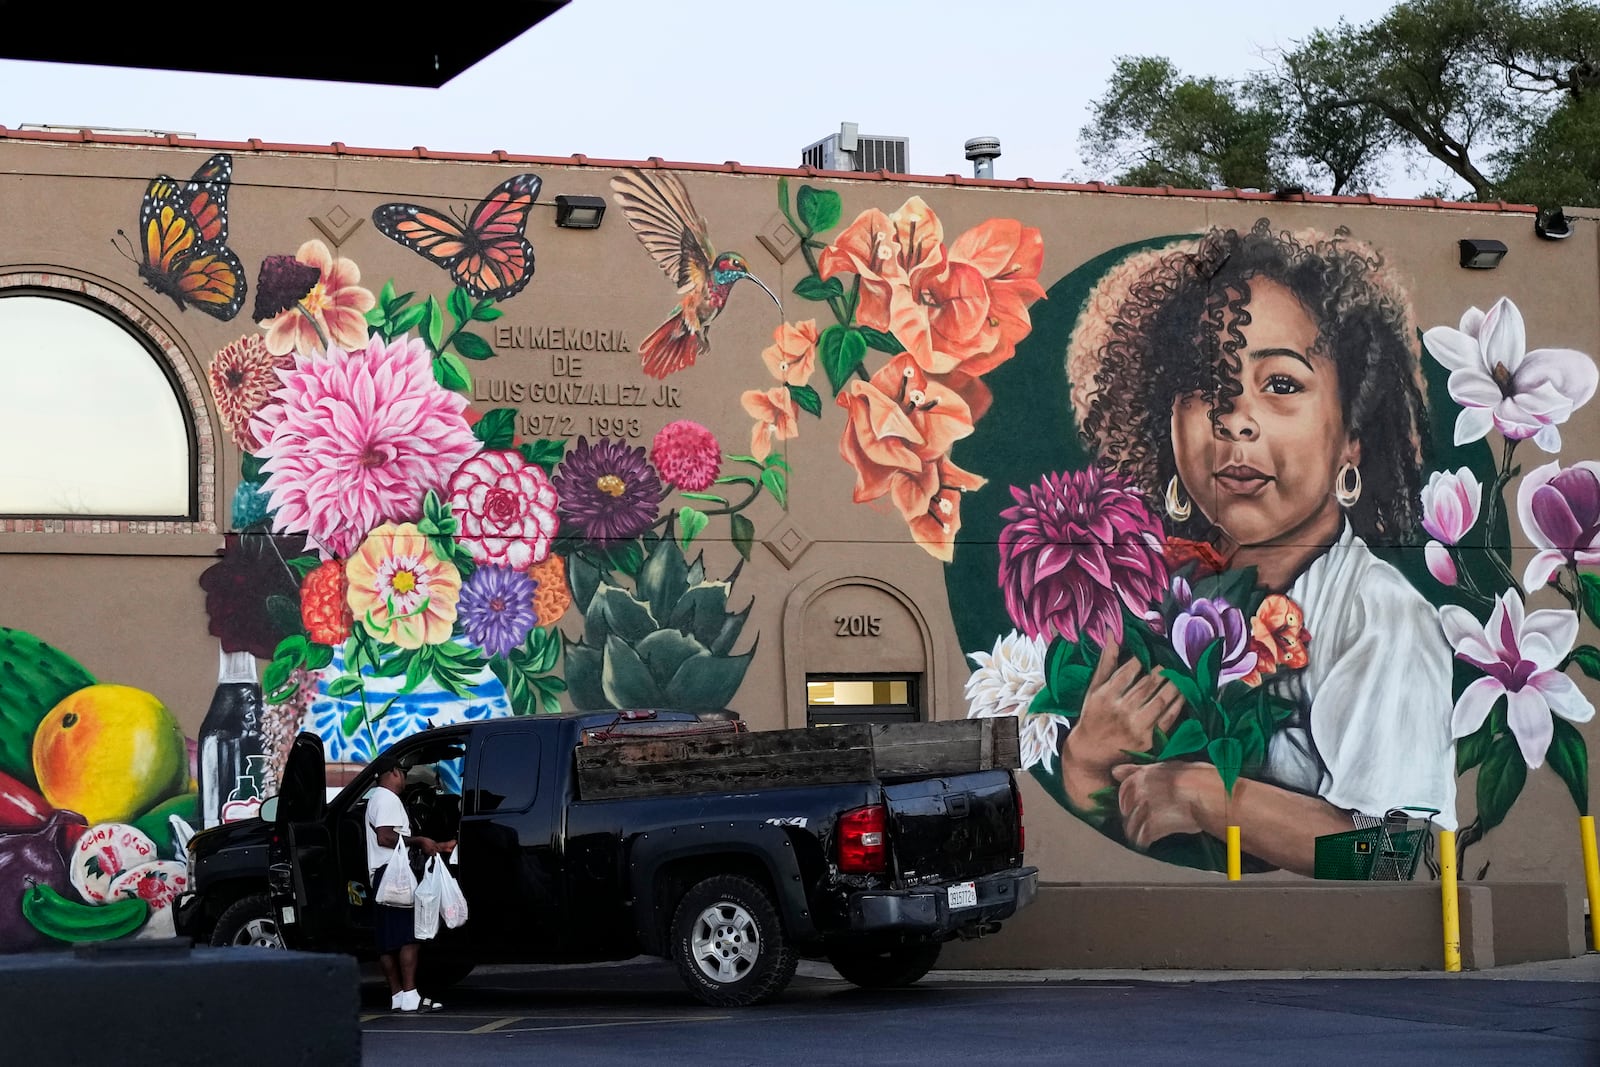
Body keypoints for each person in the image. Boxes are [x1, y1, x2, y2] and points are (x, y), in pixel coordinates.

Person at [1059, 219, 1456, 876]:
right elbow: (1124, 815)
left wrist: (1208, 795)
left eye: (1281, 384)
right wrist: (1087, 760)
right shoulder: (1170, 600)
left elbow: (1403, 856)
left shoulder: (1379, 616)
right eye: (1206, 386)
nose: (1234, 418)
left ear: (1352, 439)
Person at [366, 753, 455, 1012]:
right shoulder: (389, 799)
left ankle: (397, 997)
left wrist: (435, 845)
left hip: (382, 877)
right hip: (396, 877)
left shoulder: (375, 800)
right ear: (394, 773)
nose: (404, 779)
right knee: (408, 938)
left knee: (386, 942)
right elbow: (385, 837)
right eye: (403, 773)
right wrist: (418, 841)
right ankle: (411, 996)